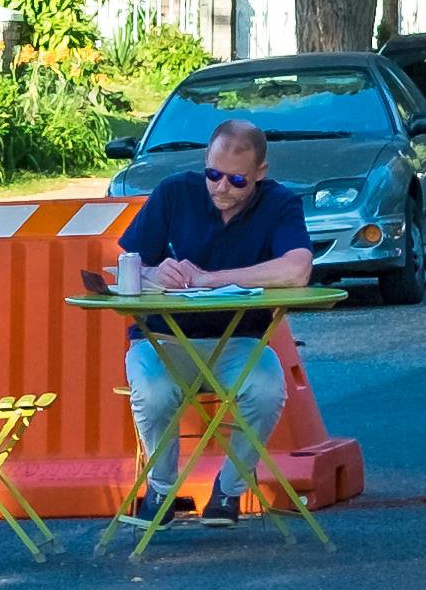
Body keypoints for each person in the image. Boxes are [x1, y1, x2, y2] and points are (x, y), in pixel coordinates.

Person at [111, 116, 317, 525]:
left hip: (239, 338)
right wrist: (154, 274)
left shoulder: (280, 203)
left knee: (265, 390)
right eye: (213, 175)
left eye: (237, 181)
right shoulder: (174, 192)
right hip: (162, 338)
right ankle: (162, 490)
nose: (222, 188)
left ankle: (228, 490)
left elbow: (297, 269)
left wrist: (212, 280)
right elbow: (127, 264)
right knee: (152, 393)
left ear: (261, 173)